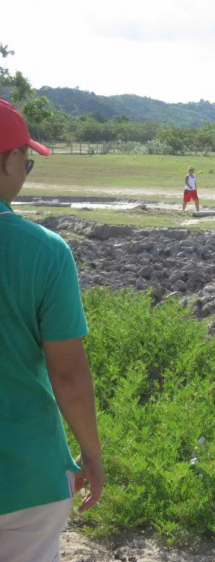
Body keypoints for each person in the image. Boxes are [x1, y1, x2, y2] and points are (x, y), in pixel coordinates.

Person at [0, 100, 104, 562]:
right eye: (27, 160)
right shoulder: (45, 252)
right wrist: (92, 455)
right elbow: (67, 374)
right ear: (7, 161)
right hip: (25, 477)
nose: (27, 169)